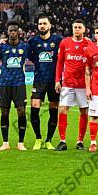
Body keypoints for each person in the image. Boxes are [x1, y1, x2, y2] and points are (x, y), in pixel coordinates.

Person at [54, 19, 95, 151]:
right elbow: (60, 62)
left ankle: (80, 141)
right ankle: (62, 141)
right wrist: (57, 80)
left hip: (83, 84)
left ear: (84, 29)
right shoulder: (65, 43)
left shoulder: (89, 43)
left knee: (84, 111)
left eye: (79, 27)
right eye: (75, 27)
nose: (77, 29)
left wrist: (91, 84)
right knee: (62, 109)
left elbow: (94, 62)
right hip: (68, 83)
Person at [0, 21, 30, 151]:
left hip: (19, 84)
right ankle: (5, 143)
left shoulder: (25, 47)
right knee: (4, 113)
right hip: (4, 84)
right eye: (10, 30)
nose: (12, 33)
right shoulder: (1, 47)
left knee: (21, 111)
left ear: (19, 32)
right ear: (7, 32)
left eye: (14, 30)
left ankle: (21, 143)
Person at [27, 15, 63, 150]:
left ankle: (48, 140)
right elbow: (29, 55)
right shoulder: (33, 41)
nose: (42, 26)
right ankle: (38, 138)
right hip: (39, 80)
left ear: (49, 25)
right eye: (40, 24)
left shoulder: (58, 40)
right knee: (34, 108)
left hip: (54, 81)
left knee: (53, 110)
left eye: (44, 23)